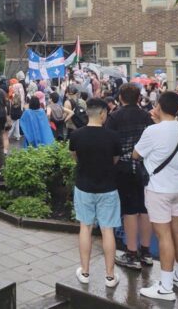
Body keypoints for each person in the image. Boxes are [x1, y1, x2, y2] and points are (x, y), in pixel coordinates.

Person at [133, 91, 178, 301]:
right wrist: (159, 121)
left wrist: (155, 123)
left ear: (158, 106)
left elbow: (136, 154)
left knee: (164, 235)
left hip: (159, 189)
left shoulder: (151, 131)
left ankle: (165, 287)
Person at [70, 98, 121, 288]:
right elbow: (115, 159)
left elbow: (75, 157)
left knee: (85, 227)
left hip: (84, 186)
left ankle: (84, 272)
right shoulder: (113, 137)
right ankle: (109, 276)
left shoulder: (76, 135)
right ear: (103, 114)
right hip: (108, 188)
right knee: (108, 230)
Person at [105, 83, 154, 271]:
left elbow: (110, 144)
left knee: (129, 211)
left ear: (121, 98)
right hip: (145, 168)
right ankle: (146, 252)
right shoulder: (146, 116)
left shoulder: (114, 117)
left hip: (124, 168)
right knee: (145, 209)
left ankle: (131, 253)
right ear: (139, 98)